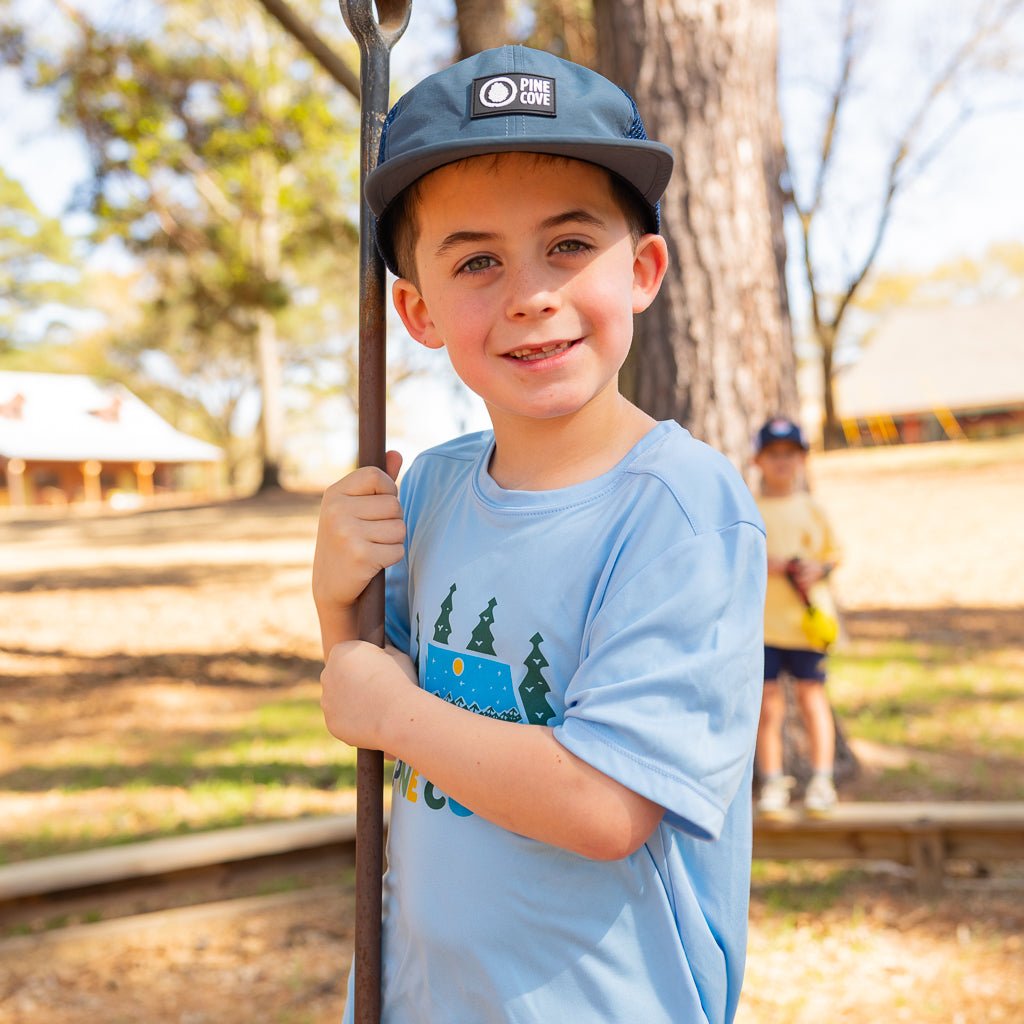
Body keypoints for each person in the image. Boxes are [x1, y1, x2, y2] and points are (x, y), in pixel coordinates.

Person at [312, 45, 766, 1024]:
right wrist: (332, 598)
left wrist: (390, 711)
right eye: (477, 259)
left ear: (642, 269)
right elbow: (365, 688)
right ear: (419, 312)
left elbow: (604, 807)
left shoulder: (681, 508)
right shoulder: (427, 489)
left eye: (567, 245)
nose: (529, 292)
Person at [751, 416, 842, 815]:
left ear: (802, 459)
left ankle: (822, 779)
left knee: (811, 697)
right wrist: (764, 563)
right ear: (759, 460)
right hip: (764, 627)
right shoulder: (750, 507)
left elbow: (834, 553)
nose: (783, 462)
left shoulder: (812, 508)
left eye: (790, 454)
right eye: (774, 454)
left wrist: (816, 569)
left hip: (806, 626)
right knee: (768, 703)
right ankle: (772, 780)